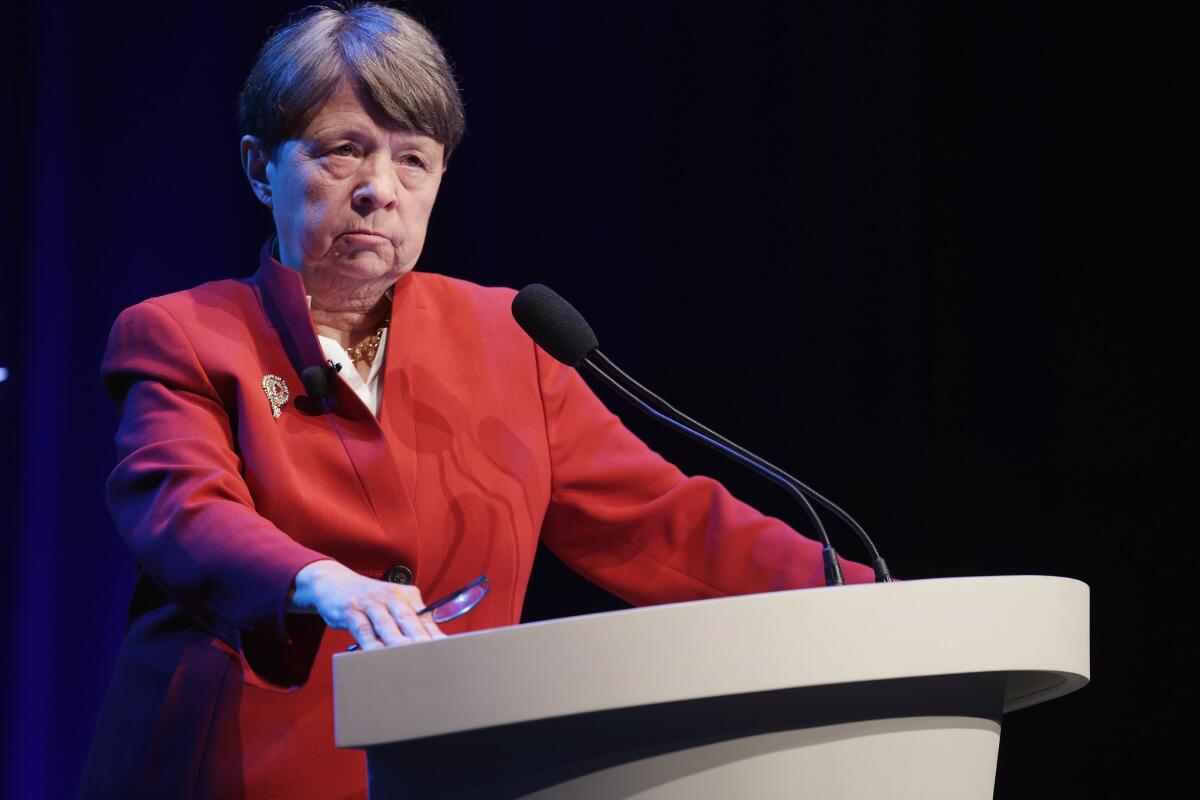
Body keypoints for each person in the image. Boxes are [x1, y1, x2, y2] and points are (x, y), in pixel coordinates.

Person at [79, 4, 875, 798]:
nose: (378, 190)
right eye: (343, 151)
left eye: (412, 160)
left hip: (449, 772)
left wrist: (871, 606)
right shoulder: (182, 335)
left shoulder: (509, 339)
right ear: (261, 168)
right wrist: (324, 581)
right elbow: (187, 512)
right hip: (229, 772)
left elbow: (664, 524)